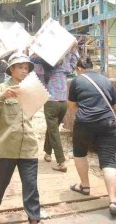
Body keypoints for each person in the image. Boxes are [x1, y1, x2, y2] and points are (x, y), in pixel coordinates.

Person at [67, 56, 116, 216]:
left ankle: (84, 186)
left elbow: (71, 106)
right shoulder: (106, 81)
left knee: (79, 153)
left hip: (84, 123)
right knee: (108, 161)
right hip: (107, 123)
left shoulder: (77, 81)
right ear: (93, 67)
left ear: (79, 69)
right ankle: (113, 200)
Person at [0, 53, 40, 223]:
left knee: (31, 184)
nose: (24, 71)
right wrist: (3, 96)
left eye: (26, 68)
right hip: (7, 144)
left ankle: (34, 218)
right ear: (12, 69)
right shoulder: (1, 88)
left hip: (28, 143)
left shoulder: (30, 89)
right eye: (20, 67)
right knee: (2, 179)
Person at [31, 41, 79, 172]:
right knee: (52, 128)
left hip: (51, 103)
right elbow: (73, 63)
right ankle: (47, 152)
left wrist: (31, 50)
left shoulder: (40, 68)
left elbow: (30, 64)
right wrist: (73, 49)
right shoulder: (64, 67)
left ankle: (61, 161)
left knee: (54, 131)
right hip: (63, 102)